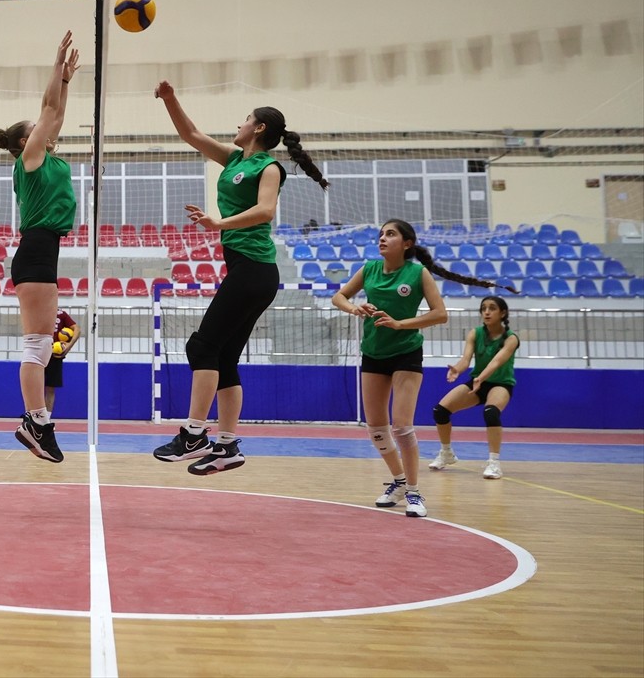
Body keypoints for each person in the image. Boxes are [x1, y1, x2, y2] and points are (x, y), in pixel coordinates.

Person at [151, 85, 328, 475]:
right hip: (246, 271)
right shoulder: (234, 159)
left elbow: (265, 211)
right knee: (225, 359)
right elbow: (191, 135)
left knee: (200, 348)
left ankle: (194, 435)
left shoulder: (269, 167)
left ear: (258, 127)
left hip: (255, 270)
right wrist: (169, 100)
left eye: (245, 119)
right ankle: (227, 446)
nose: (239, 123)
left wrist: (219, 222)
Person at [331, 219, 510, 517]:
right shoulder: (369, 268)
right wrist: (354, 308)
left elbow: (440, 314)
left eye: (390, 234)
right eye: (381, 235)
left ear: (407, 243)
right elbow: (338, 296)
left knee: (401, 425)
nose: (383, 239)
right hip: (373, 352)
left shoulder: (417, 273)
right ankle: (398, 481)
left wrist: (402, 324)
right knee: (375, 428)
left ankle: (414, 492)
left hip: (406, 353)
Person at [0, 31, 80, 464]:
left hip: (44, 249)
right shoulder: (28, 160)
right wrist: (55, 67)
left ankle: (37, 420)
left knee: (43, 345)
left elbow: (56, 111)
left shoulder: (47, 158)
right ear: (24, 143)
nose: (48, 127)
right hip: (35, 248)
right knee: (36, 346)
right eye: (38, 129)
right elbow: (48, 111)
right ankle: (35, 421)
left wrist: (66, 80)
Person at [429, 295, 519, 480]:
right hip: (478, 381)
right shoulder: (475, 333)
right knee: (440, 411)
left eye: (492, 308)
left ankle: (494, 463)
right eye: (483, 308)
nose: (486, 311)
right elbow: (465, 360)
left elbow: (496, 362)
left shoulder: (511, 339)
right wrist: (457, 369)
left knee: (491, 413)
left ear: (503, 313)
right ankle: (446, 453)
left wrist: (481, 378)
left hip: (500, 384)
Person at [44, 309, 80, 412]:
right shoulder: (39, 311)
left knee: (50, 388)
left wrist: (69, 346)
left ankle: (46, 419)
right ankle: (35, 417)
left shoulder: (61, 314)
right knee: (35, 388)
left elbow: (77, 329)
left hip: (55, 355)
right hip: (39, 353)